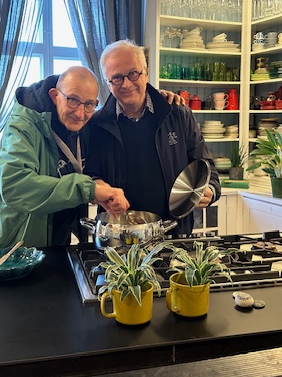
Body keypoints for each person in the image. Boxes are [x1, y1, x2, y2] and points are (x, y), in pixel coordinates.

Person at [0, 66, 129, 250]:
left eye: (89, 104)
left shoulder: (83, 126)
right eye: (72, 100)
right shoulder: (23, 125)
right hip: (12, 246)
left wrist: (99, 187)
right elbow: (15, 185)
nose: (80, 113)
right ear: (55, 95)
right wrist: (88, 190)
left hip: (55, 239)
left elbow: (76, 170)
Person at [85, 40, 221, 237]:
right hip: (120, 235)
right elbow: (90, 175)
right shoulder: (96, 124)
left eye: (133, 73)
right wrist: (101, 189)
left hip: (174, 233)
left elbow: (207, 168)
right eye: (116, 78)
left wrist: (210, 190)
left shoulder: (178, 114)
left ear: (146, 72)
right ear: (107, 83)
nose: (126, 84)